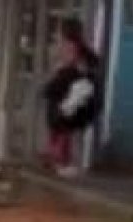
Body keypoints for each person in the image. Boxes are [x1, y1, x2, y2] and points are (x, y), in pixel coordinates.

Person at [41, 19, 101, 177]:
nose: (58, 35)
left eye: (60, 31)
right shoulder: (75, 48)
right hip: (67, 93)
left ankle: (60, 159)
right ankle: (56, 157)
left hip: (70, 94)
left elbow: (73, 68)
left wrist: (65, 69)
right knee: (59, 125)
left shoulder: (73, 49)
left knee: (62, 125)